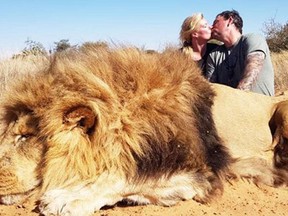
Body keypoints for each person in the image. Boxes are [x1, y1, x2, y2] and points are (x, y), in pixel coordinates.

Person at [206, 10, 274, 96]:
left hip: (261, 106)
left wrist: (237, 99)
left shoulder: (253, 39)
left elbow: (253, 66)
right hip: (231, 107)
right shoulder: (214, 55)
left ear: (230, 20)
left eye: (215, 22)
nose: (212, 27)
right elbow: (211, 87)